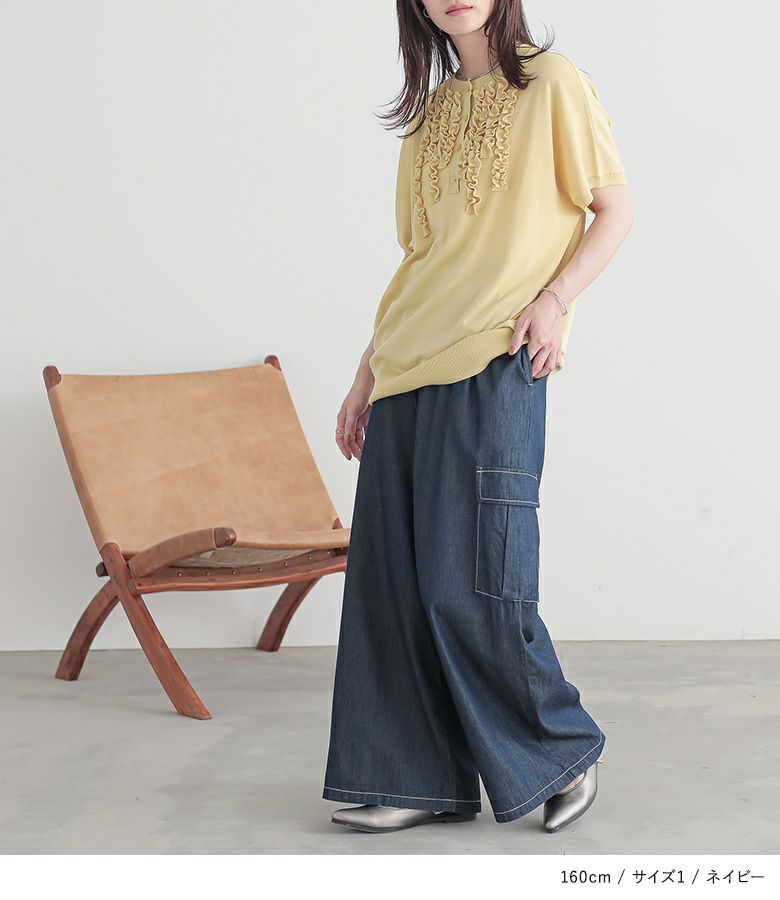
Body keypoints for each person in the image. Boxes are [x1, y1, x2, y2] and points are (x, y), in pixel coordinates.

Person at [322, 0, 633, 834]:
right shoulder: (430, 113)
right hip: (406, 364)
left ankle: (562, 750)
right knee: (393, 584)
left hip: (497, 357)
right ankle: (411, 778)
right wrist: (367, 371)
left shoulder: (552, 85)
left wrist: (555, 299)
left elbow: (613, 209)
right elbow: (421, 259)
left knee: (477, 579)